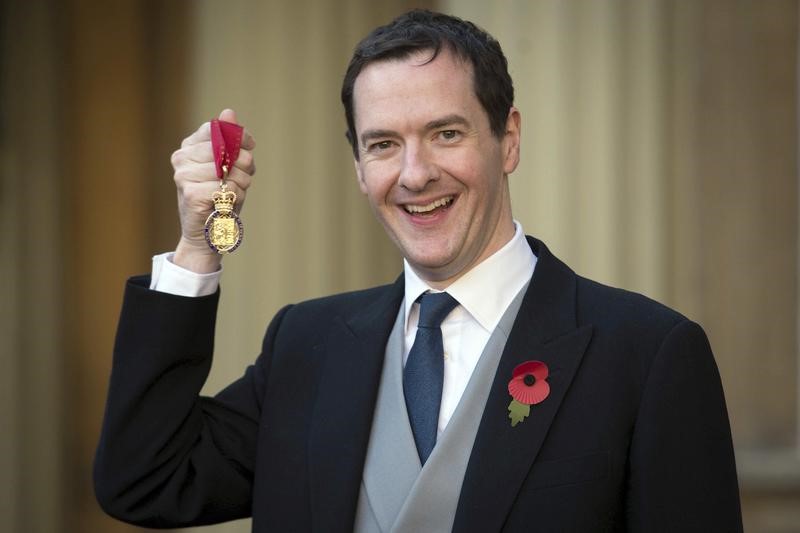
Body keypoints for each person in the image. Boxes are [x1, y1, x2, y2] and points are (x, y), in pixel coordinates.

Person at [94, 9, 743, 532]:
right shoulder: (306, 345)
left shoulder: (647, 353)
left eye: (446, 133)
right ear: (358, 169)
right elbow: (146, 480)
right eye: (383, 144)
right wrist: (196, 247)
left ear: (508, 138)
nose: (414, 173)